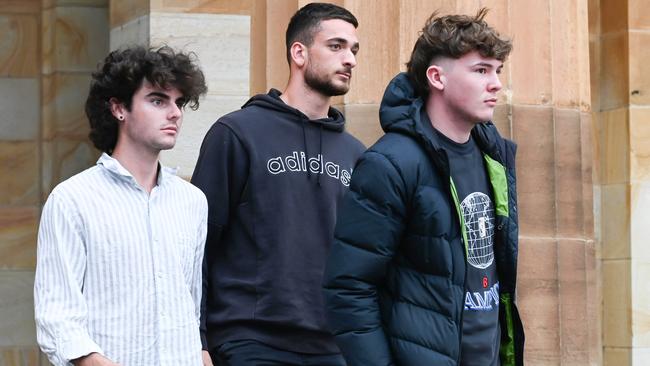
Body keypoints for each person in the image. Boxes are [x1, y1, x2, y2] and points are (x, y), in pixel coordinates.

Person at [323, 8, 525, 366]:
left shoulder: (494, 157)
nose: (496, 84)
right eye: (481, 70)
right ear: (437, 77)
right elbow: (349, 289)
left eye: (498, 71)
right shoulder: (390, 163)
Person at [191, 3, 364, 365]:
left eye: (353, 49)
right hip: (251, 341)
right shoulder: (237, 134)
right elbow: (198, 243)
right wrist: (199, 339)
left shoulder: (355, 153)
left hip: (333, 347)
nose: (349, 59)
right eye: (336, 46)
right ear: (298, 52)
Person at [34, 46, 208, 366]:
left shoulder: (192, 201)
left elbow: (191, 304)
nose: (175, 113)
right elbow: (56, 317)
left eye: (179, 102)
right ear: (118, 108)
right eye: (158, 100)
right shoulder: (72, 199)